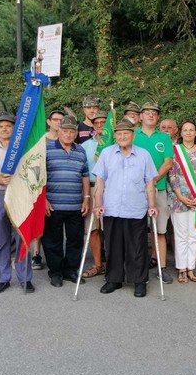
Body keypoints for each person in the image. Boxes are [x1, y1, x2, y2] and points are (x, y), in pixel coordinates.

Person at [93, 119, 158, 297]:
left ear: (132, 135)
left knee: (137, 246)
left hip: (136, 207)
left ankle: (139, 281)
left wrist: (152, 205)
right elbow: (100, 182)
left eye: (126, 133)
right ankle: (114, 279)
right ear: (115, 136)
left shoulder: (144, 155)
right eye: (119, 134)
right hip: (112, 207)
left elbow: (150, 183)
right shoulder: (106, 153)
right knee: (113, 245)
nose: (122, 137)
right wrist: (98, 203)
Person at [0, 112, 34, 294]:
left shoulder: (22, 149)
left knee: (22, 237)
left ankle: (25, 278)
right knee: (1, 237)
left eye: (8, 126)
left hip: (19, 195)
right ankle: (3, 278)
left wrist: (16, 179)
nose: (5, 129)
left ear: (14, 129)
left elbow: (29, 172)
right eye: (1, 126)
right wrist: (1, 180)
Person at [43, 115, 90, 288]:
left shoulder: (81, 150)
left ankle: (70, 270)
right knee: (52, 240)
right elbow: (39, 178)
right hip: (52, 205)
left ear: (76, 133)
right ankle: (55, 272)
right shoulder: (47, 149)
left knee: (75, 240)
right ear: (59, 131)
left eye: (72, 132)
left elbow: (85, 175)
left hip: (75, 205)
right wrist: (43, 200)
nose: (68, 135)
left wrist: (86, 198)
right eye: (65, 131)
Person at [134, 102, 175, 284]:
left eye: (154, 113)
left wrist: (153, 179)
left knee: (159, 230)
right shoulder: (133, 135)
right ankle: (138, 266)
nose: (151, 115)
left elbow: (168, 162)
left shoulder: (164, 138)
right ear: (140, 116)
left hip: (158, 189)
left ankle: (162, 268)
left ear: (157, 118)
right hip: (135, 191)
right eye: (147, 112)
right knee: (136, 230)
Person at [169, 120, 196, 283]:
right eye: (185, 130)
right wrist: (180, 196)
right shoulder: (175, 151)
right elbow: (172, 175)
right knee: (180, 235)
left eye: (191, 130)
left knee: (193, 235)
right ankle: (181, 268)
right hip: (178, 200)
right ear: (180, 133)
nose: (188, 133)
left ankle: (191, 268)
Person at [32, 108, 66, 270]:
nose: (58, 122)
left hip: (60, 185)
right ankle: (36, 254)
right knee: (40, 220)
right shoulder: (42, 140)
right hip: (43, 183)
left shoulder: (67, 138)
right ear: (49, 121)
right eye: (55, 119)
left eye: (61, 120)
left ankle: (59, 257)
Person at [81, 111, 107, 278]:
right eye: (96, 123)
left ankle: (114, 263)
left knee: (112, 228)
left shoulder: (114, 144)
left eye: (103, 122)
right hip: (91, 188)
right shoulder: (85, 146)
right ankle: (98, 264)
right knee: (93, 228)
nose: (100, 125)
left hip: (111, 189)